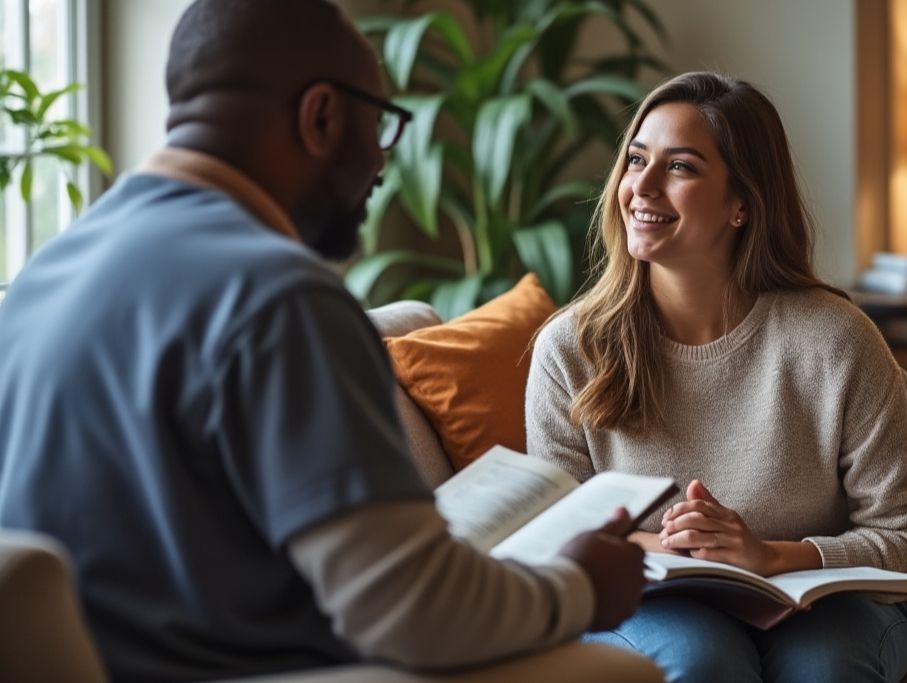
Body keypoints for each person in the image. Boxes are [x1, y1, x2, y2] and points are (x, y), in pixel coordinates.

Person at [0, 1, 647, 681]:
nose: (383, 163)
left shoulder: (46, 272)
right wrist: (578, 584)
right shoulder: (277, 293)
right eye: (381, 125)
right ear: (322, 117)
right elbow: (417, 612)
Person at [525, 71, 907, 683]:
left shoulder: (836, 340)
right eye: (636, 159)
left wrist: (768, 556)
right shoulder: (572, 348)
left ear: (741, 203)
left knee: (823, 668)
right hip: (653, 603)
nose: (639, 186)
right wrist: (680, 551)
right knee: (701, 662)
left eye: (681, 167)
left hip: (823, 605)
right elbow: (557, 538)